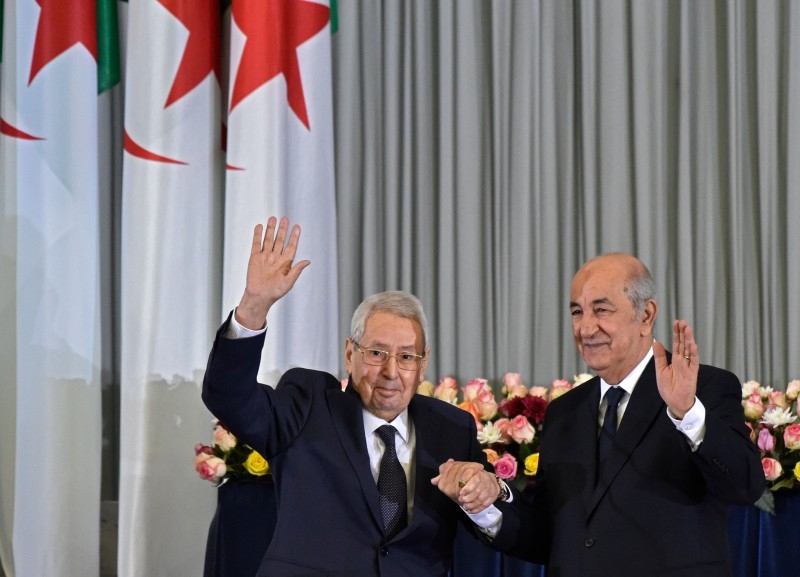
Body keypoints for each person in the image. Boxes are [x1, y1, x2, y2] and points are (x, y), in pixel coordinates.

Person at [202, 217, 513, 577]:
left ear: (423, 364)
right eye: (376, 353)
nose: (391, 372)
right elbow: (229, 396)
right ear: (350, 353)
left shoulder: (452, 428)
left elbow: (498, 526)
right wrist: (254, 306)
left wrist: (489, 495)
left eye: (407, 357)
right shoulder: (308, 404)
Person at [443, 252, 765, 577]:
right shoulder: (564, 413)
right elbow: (547, 536)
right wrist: (484, 506)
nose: (585, 328)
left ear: (646, 315)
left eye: (601, 310)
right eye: (576, 312)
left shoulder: (703, 388)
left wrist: (687, 413)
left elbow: (744, 486)